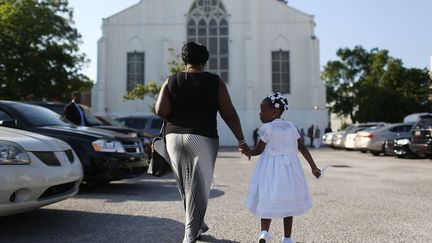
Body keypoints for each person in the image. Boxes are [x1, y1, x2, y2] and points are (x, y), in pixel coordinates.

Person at [155, 42, 249, 243]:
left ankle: (198, 223)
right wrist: (241, 140)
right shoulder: (215, 82)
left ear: (184, 59)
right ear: (205, 61)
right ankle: (190, 234)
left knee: (185, 185)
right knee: (200, 185)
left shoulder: (171, 80)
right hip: (202, 137)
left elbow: (161, 111)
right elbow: (229, 114)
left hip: (173, 138)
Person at [243, 92, 321, 243]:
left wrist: (248, 152)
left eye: (262, 111)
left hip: (270, 170)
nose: (260, 114)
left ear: (274, 112)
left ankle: (264, 233)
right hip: (289, 170)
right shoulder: (291, 126)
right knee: (288, 203)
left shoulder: (267, 128)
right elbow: (302, 147)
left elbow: (259, 150)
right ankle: (287, 238)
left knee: (267, 198)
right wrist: (313, 167)